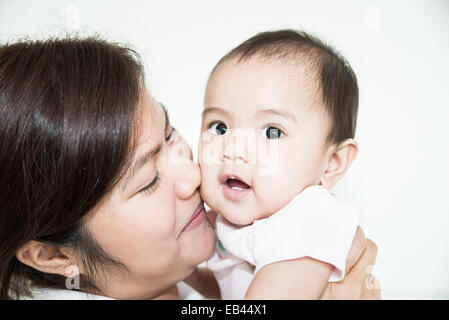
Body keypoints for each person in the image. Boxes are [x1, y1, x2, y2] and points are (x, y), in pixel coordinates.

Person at [0, 36, 379, 300]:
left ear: (333, 162)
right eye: (148, 181)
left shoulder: (307, 218)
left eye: (169, 134)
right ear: (55, 256)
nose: (194, 174)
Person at [200, 30, 368, 299]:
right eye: (219, 127)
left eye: (272, 132)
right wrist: (192, 276)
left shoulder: (310, 218)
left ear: (331, 163)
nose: (233, 149)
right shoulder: (224, 221)